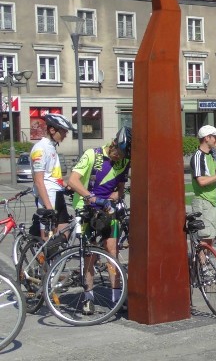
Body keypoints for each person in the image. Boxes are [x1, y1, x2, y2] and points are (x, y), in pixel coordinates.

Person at [66, 127, 132, 313]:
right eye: (119, 152)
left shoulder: (125, 161)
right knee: (89, 255)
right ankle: (88, 297)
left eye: (124, 155)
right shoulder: (92, 155)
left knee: (112, 250)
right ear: (114, 144)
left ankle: (116, 296)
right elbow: (73, 181)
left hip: (107, 210)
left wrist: (112, 199)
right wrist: (92, 198)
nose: (120, 157)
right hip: (85, 210)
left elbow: (120, 189)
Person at [31, 113, 76, 237]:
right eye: (63, 131)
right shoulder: (40, 149)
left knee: (64, 233)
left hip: (57, 193)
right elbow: (39, 181)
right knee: (48, 237)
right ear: (52, 130)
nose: (66, 135)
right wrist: (49, 208)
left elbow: (52, 175)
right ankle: (42, 252)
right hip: (48, 196)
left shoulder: (51, 147)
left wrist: (67, 186)